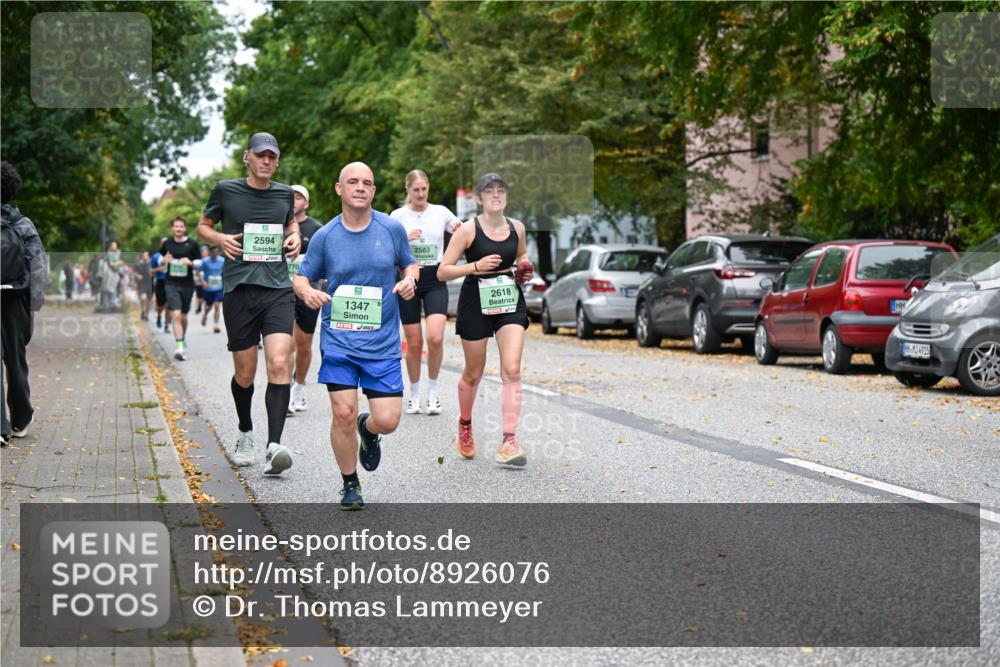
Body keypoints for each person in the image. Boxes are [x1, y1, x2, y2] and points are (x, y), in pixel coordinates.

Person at [293, 162, 417, 510]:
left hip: (381, 344)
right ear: (339, 189)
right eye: (353, 182)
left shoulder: (391, 229)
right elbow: (301, 277)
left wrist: (410, 279)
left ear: (373, 191)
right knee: (343, 412)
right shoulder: (325, 236)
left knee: (389, 420)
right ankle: (350, 483)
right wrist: (306, 293)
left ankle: (370, 430)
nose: (360, 187)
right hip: (340, 342)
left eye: (367, 183)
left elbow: (410, 263)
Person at [197, 131, 300, 476]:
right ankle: (244, 431)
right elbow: (204, 226)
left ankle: (274, 447)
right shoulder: (226, 190)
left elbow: (291, 224)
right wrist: (220, 238)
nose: (267, 161)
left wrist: (295, 238)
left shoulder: (285, 194)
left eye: (272, 156)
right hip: (240, 289)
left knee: (279, 361)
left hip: (277, 289)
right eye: (261, 155)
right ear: (248, 157)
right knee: (245, 372)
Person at [438, 173, 534, 467]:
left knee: (512, 368)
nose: (496, 195)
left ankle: (509, 440)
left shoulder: (517, 227)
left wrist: (525, 267)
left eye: (500, 190)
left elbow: (522, 254)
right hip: (475, 302)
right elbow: (443, 270)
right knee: (474, 372)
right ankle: (465, 425)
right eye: (489, 191)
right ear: (478, 198)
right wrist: (475, 266)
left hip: (508, 299)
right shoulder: (467, 231)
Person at [390, 170, 462, 416]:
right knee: (414, 342)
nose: (420, 194)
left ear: (428, 188)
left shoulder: (441, 212)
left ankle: (433, 392)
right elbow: (387, 248)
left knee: (435, 338)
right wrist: (403, 238)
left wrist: (459, 227)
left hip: (434, 278)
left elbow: (459, 230)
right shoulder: (397, 216)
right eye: (415, 189)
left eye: (424, 189)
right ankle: (414, 393)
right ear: (407, 189)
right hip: (408, 279)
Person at [1, 161, 48, 447]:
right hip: (16, 299)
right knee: (16, 359)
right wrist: (35, 302)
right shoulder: (22, 224)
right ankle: (20, 419)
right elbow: (38, 265)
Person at [287, 184, 325, 413]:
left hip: (307, 293)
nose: (294, 200)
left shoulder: (316, 229)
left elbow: (324, 259)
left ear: (306, 203)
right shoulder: (277, 226)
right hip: (282, 293)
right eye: (290, 196)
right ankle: (286, 391)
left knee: (303, 345)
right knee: (286, 343)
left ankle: (299, 387)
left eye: (299, 197)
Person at [160, 216, 202, 360]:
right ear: (172, 228)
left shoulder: (192, 244)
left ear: (185, 228)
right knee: (176, 315)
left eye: (181, 226)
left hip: (187, 285)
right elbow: (160, 260)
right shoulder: (167, 244)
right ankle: (179, 348)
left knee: (183, 316)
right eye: (176, 226)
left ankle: (182, 339)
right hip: (171, 284)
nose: (178, 229)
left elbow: (200, 263)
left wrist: (190, 263)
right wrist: (164, 260)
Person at [199, 245, 225, 332]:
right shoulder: (205, 261)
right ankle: (205, 314)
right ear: (210, 253)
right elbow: (198, 272)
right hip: (208, 287)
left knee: (217, 305)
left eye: (217, 252)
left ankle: (216, 324)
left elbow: (225, 272)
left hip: (219, 287)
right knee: (208, 306)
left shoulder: (222, 261)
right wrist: (203, 282)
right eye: (213, 252)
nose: (215, 254)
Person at [150, 237, 171, 331]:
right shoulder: (156, 256)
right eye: (164, 243)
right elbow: (150, 271)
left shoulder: (173, 254)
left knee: (168, 304)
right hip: (160, 282)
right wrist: (158, 269)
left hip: (170, 282)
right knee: (160, 305)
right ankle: (159, 316)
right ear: (161, 245)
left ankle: (166, 324)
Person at [132, 250, 152, 320]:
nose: (145, 257)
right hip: (142, 284)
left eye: (146, 255)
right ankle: (143, 311)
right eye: (144, 255)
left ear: (149, 256)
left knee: (149, 302)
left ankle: (146, 314)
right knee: (143, 298)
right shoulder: (139, 265)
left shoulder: (152, 264)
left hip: (151, 284)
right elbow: (133, 272)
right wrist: (137, 276)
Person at [194, 244, 209, 316]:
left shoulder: (210, 260)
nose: (204, 253)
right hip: (199, 282)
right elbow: (195, 272)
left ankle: (205, 311)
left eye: (205, 251)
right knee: (200, 297)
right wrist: (196, 277)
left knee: (206, 297)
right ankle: (199, 306)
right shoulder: (198, 261)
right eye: (203, 251)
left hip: (208, 282)